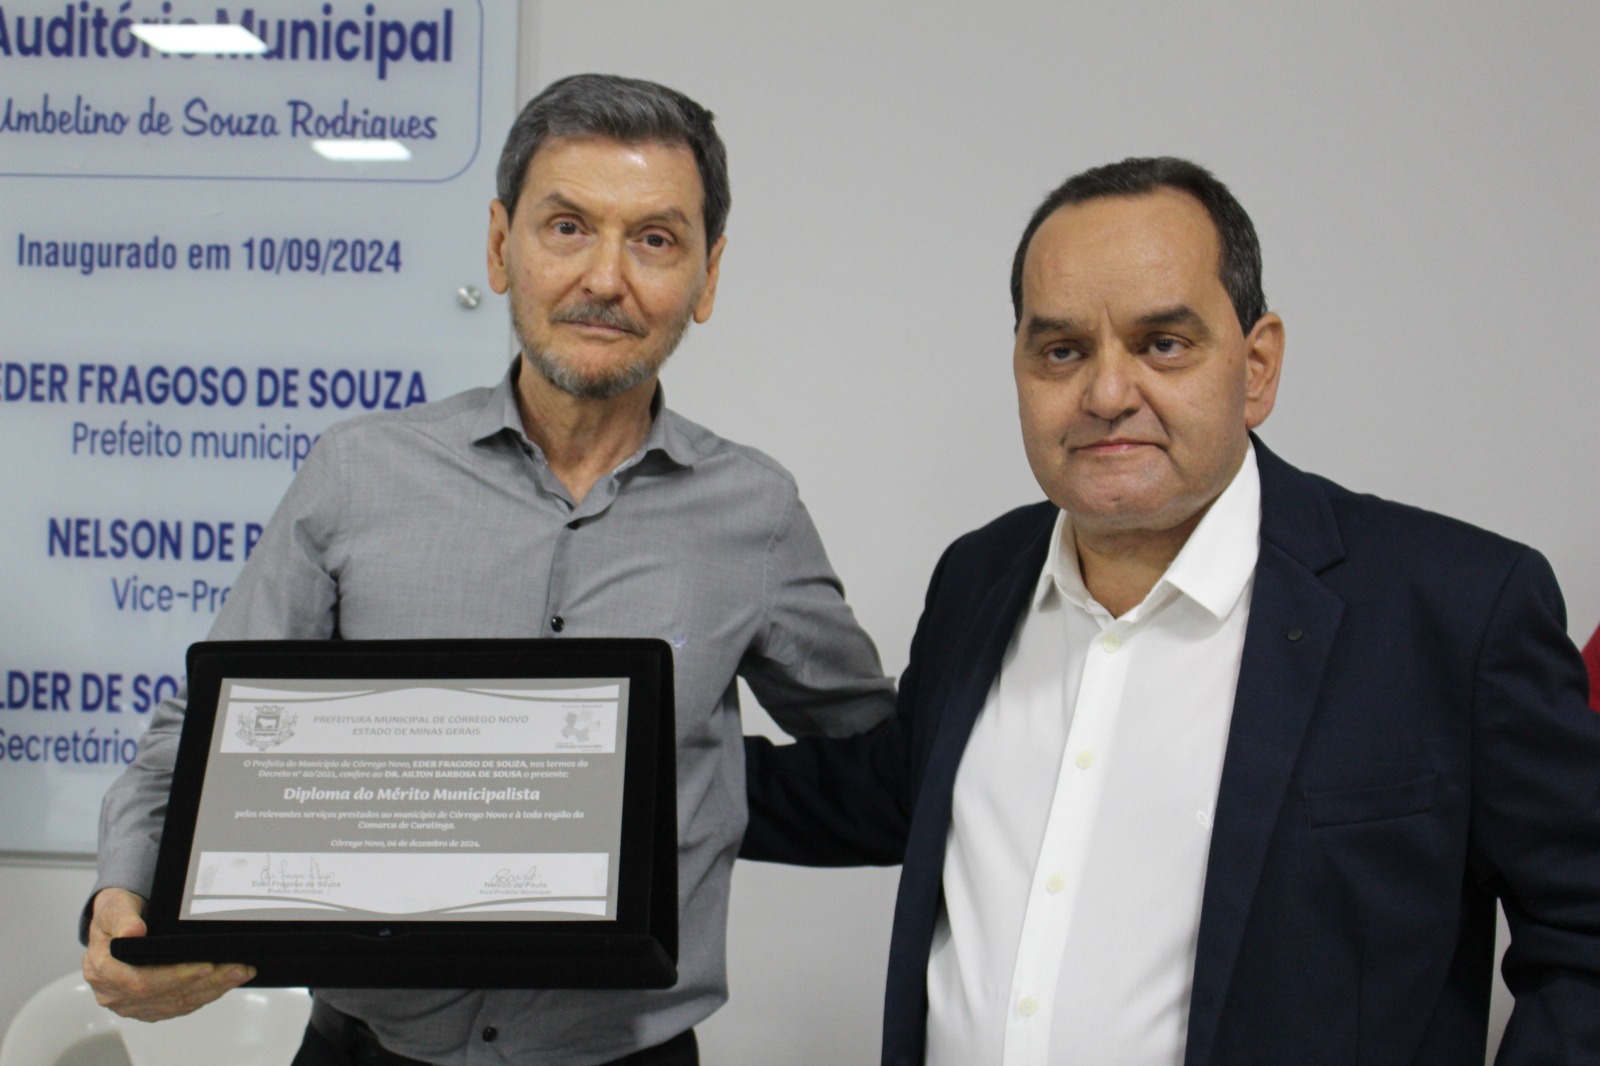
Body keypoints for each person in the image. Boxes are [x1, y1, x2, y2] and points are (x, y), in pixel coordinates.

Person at [83, 73, 894, 1066]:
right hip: (367, 1049)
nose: (605, 278)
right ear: (499, 245)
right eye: (567, 227)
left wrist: (682, 784)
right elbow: (205, 734)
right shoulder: (359, 471)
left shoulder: (754, 512)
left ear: (708, 275)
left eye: (654, 239)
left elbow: (872, 762)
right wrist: (123, 895)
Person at [743, 156, 1600, 1065]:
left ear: (1257, 366)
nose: (1107, 395)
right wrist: (647, 763)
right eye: (1062, 351)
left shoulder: (1453, 609)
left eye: (1163, 344)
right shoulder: (979, 577)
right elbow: (891, 790)